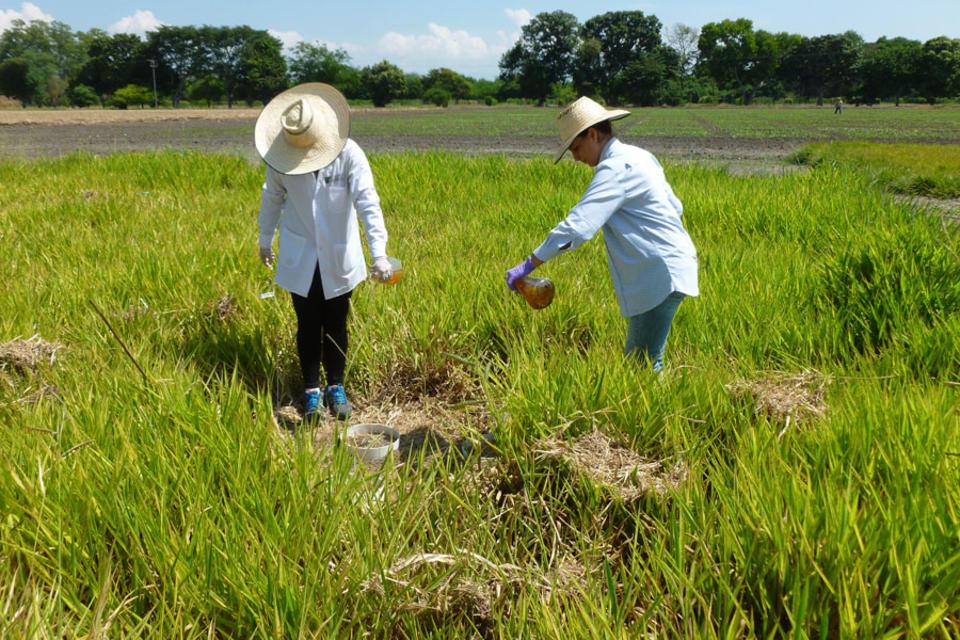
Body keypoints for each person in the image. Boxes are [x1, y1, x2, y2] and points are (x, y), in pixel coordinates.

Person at [505, 97, 699, 372]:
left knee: (641, 366)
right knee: (647, 362)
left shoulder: (615, 168)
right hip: (671, 265)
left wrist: (528, 264)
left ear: (593, 134)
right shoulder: (640, 156)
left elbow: (578, 227)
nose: (575, 157)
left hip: (658, 272)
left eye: (576, 147)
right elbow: (675, 206)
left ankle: (659, 416)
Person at [255, 83, 393, 421]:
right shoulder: (281, 159)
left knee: (336, 321)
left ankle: (336, 385)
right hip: (299, 254)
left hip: (337, 253)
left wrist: (379, 253)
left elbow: (367, 202)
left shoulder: (348, 153)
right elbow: (271, 198)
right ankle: (311, 391)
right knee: (307, 322)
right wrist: (264, 238)